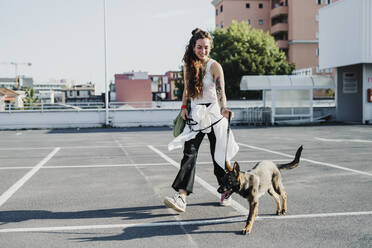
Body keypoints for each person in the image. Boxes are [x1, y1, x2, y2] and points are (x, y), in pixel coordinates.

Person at [164, 28, 239, 213]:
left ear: (210, 48)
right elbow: (186, 90)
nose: (202, 51)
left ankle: (226, 189)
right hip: (196, 115)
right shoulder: (188, 65)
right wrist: (183, 107)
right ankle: (181, 197)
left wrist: (224, 108)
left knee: (219, 156)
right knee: (189, 154)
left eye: (206, 47)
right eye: (199, 47)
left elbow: (221, 90)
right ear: (192, 47)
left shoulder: (215, 66)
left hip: (214, 114)